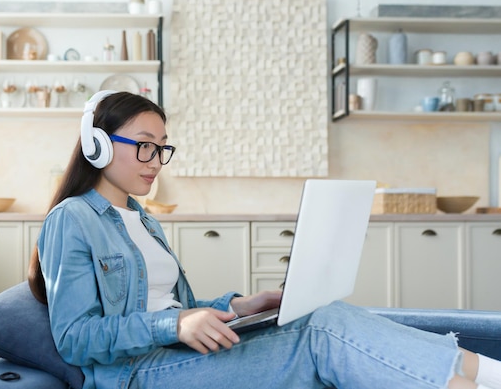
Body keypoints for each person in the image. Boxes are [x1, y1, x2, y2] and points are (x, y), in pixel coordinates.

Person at [28, 90, 501, 389]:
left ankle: (485, 375)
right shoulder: (72, 220)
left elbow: (175, 307)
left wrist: (238, 307)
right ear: (99, 146)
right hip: (136, 372)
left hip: (175, 353)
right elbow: (75, 338)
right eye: (145, 145)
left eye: (162, 147)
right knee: (319, 334)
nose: (156, 159)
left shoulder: (141, 219)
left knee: (325, 311)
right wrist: (173, 328)